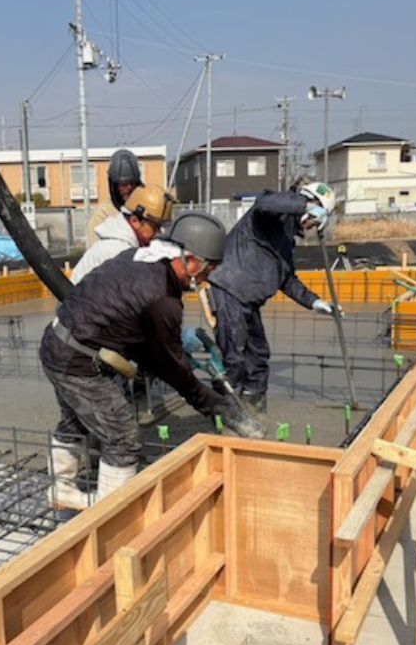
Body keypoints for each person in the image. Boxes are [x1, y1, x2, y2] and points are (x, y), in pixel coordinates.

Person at [41, 211, 264, 511]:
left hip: (57, 341)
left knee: (76, 420)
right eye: (209, 269)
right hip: (77, 361)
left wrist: (171, 345)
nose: (207, 278)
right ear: (191, 260)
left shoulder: (140, 257)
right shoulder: (163, 298)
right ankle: (111, 516)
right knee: (122, 437)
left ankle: (62, 490)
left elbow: (130, 322)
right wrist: (216, 406)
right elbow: (172, 371)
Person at [207, 182, 340, 413]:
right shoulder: (271, 214)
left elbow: (286, 279)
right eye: (313, 218)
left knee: (258, 356)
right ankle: (224, 413)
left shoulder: (286, 241)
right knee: (234, 359)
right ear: (306, 201)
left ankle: (254, 407)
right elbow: (265, 203)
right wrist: (305, 205)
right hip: (230, 290)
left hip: (249, 301)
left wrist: (314, 301)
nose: (311, 225)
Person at [71, 183, 173, 283]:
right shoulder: (118, 250)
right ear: (135, 221)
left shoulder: (123, 242)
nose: (160, 232)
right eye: (155, 226)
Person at [86, 149, 143, 246]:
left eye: (132, 183)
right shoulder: (102, 216)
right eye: (123, 184)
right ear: (114, 186)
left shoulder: (144, 210)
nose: (129, 188)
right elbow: (96, 250)